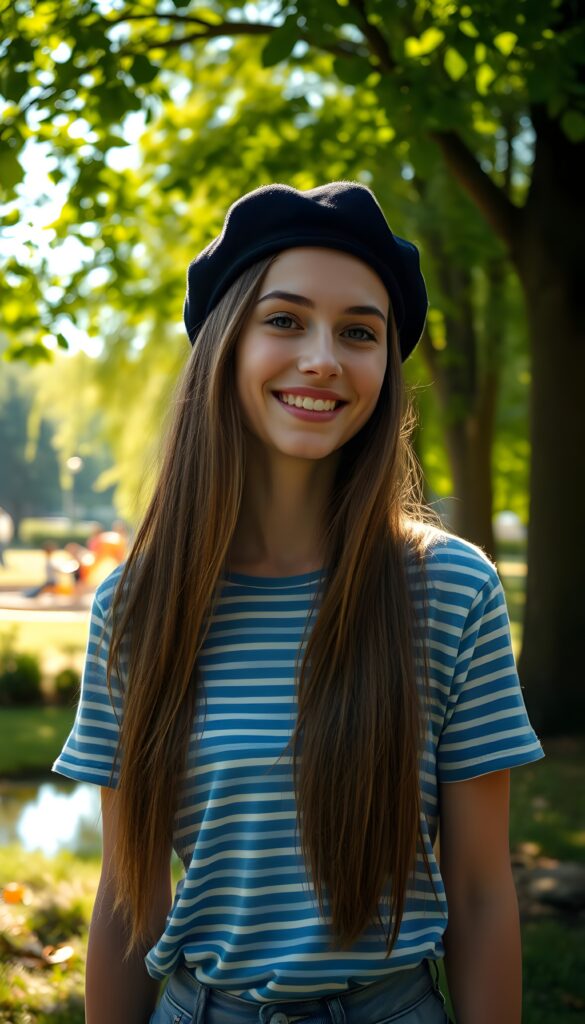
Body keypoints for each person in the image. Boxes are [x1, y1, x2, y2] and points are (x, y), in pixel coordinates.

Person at [52, 182, 544, 1024]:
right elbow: (129, 898)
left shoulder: (453, 591)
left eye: (358, 332)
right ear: (226, 345)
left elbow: (479, 888)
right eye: (284, 320)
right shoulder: (135, 609)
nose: (323, 357)